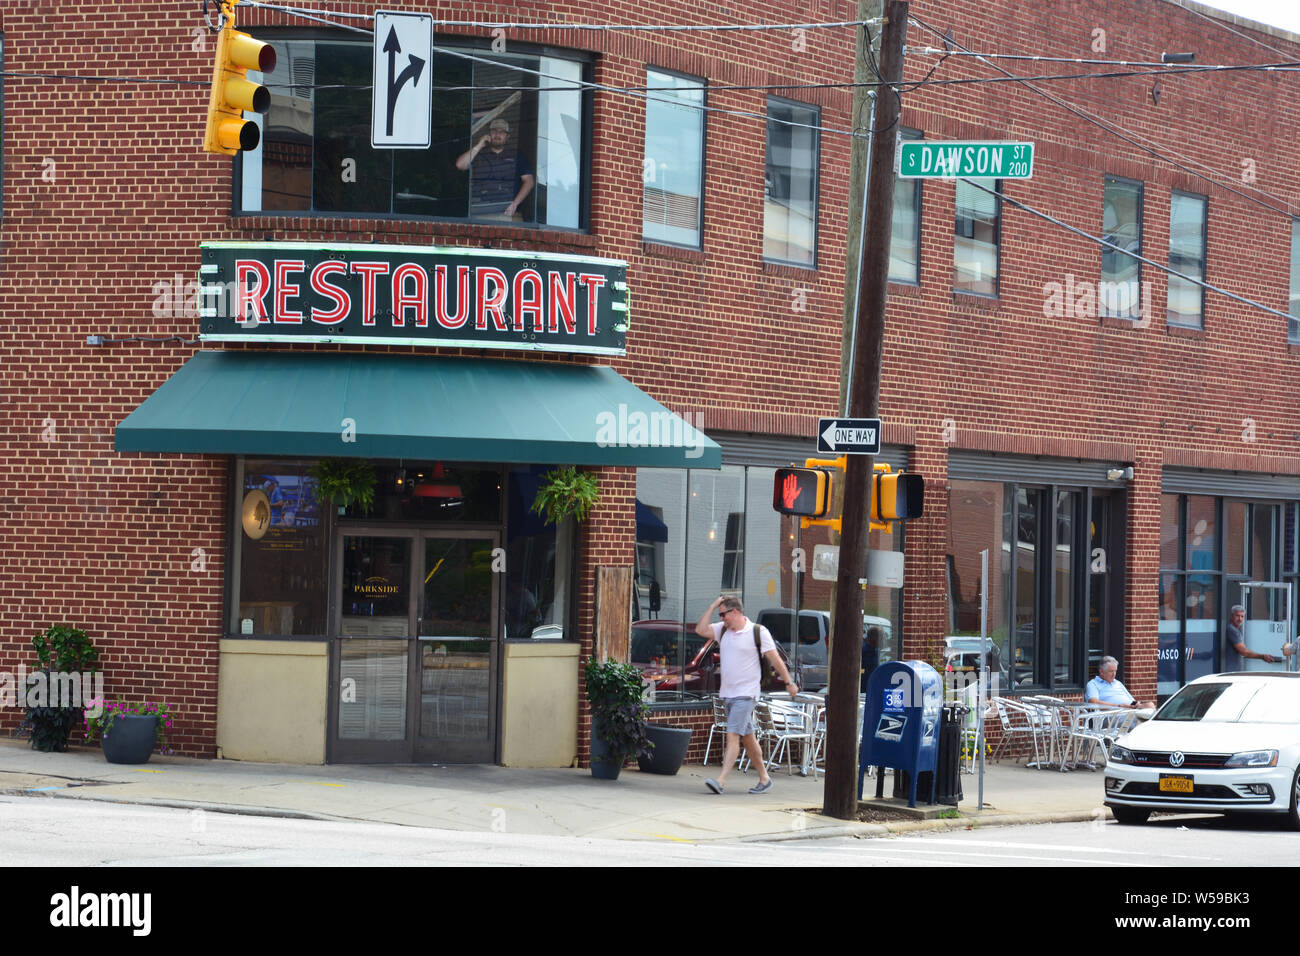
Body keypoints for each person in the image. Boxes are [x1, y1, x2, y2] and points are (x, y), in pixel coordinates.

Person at [694, 596, 798, 795]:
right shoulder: (722, 630)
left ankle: (721, 780)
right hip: (728, 695)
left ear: (735, 612)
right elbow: (700, 629)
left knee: (732, 735)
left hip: (746, 694)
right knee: (748, 738)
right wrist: (712, 605)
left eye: (723, 614)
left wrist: (789, 682)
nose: (721, 618)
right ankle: (764, 778)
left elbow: (775, 659)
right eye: (720, 615)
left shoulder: (757, 632)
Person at [455, 117, 535, 220]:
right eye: (494, 131)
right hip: (480, 213)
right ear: (488, 134)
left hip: (508, 213)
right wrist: (479, 145)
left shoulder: (517, 156)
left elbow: (529, 181)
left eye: (501, 132)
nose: (497, 134)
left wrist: (515, 204)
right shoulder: (479, 155)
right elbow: (460, 165)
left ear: (507, 136)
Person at [1224, 604, 1284, 669]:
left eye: (1242, 616)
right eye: (1237, 616)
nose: (1240, 619)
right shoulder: (1232, 630)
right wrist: (1262, 656)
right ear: (1231, 616)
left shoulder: (1235, 630)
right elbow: (1244, 652)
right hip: (1229, 671)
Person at [1085, 656, 1155, 711]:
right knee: (1145, 720)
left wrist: (1137, 704)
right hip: (1112, 715)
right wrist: (1118, 706)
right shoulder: (1093, 684)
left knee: (1150, 705)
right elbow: (1093, 702)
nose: (1114, 674)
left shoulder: (1118, 683)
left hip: (1129, 710)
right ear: (1101, 671)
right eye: (1111, 671)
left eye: (1115, 671)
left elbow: (1132, 701)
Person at [860, 625, 881, 693]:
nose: (881, 640)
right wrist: (863, 673)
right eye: (880, 637)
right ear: (874, 638)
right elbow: (860, 670)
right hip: (864, 686)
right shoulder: (864, 651)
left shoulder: (876, 650)